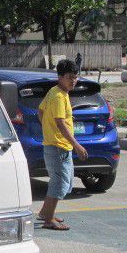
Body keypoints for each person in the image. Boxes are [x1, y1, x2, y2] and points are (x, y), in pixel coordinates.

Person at [37, 59, 88, 231]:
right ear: (60, 77)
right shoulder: (58, 96)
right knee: (59, 183)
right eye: (69, 77)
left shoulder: (56, 92)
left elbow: (41, 110)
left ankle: (46, 212)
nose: (73, 81)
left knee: (61, 182)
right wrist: (77, 145)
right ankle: (48, 219)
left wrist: (46, 127)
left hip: (57, 145)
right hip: (58, 147)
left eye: (75, 77)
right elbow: (60, 122)